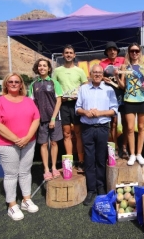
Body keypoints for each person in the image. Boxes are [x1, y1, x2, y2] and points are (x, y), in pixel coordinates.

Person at [0, 73, 40, 221]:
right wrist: (16, 139)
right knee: (11, 175)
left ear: (21, 84)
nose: (14, 84)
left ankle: (26, 200)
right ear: (6, 84)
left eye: (17, 81)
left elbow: (36, 118)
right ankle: (12, 205)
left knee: (25, 172)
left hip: (28, 142)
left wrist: (27, 137)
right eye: (11, 82)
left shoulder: (28, 101)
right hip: (7, 144)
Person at [75, 64, 118, 206]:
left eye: (100, 72)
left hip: (102, 128)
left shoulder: (109, 89)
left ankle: (100, 187)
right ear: (91, 73)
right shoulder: (83, 89)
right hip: (87, 128)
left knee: (100, 158)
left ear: (102, 74)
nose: (97, 74)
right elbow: (77, 108)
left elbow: (114, 110)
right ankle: (91, 189)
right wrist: (86, 112)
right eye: (95, 72)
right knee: (89, 159)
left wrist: (100, 113)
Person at [53, 45, 88, 173]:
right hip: (63, 106)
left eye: (70, 53)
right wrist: (59, 97)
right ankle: (69, 163)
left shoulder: (79, 71)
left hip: (77, 105)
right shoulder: (57, 71)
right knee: (66, 134)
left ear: (74, 55)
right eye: (66, 52)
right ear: (63, 55)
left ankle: (81, 161)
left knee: (78, 133)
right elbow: (54, 87)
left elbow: (85, 88)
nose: (68, 55)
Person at [117, 43, 144, 166]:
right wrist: (117, 76)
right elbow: (122, 86)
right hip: (129, 100)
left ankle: (139, 153)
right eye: (132, 51)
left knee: (141, 127)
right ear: (129, 52)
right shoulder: (124, 66)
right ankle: (132, 154)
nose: (134, 53)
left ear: (140, 52)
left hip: (142, 99)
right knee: (130, 128)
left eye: (137, 51)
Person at [29, 58, 63, 181]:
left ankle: (54, 167)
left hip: (54, 118)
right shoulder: (33, 85)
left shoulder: (54, 83)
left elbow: (58, 101)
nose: (42, 67)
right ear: (37, 68)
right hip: (40, 119)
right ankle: (46, 170)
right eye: (40, 66)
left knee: (54, 143)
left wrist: (53, 118)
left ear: (49, 68)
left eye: (44, 65)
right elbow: (31, 103)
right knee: (43, 144)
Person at [99, 41, 128, 159]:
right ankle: (115, 148)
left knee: (126, 123)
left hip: (124, 94)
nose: (112, 51)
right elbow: (96, 75)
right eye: (110, 50)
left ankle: (125, 148)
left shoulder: (123, 61)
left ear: (117, 51)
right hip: (110, 95)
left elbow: (127, 74)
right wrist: (102, 78)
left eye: (114, 49)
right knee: (113, 123)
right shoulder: (102, 63)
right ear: (106, 52)